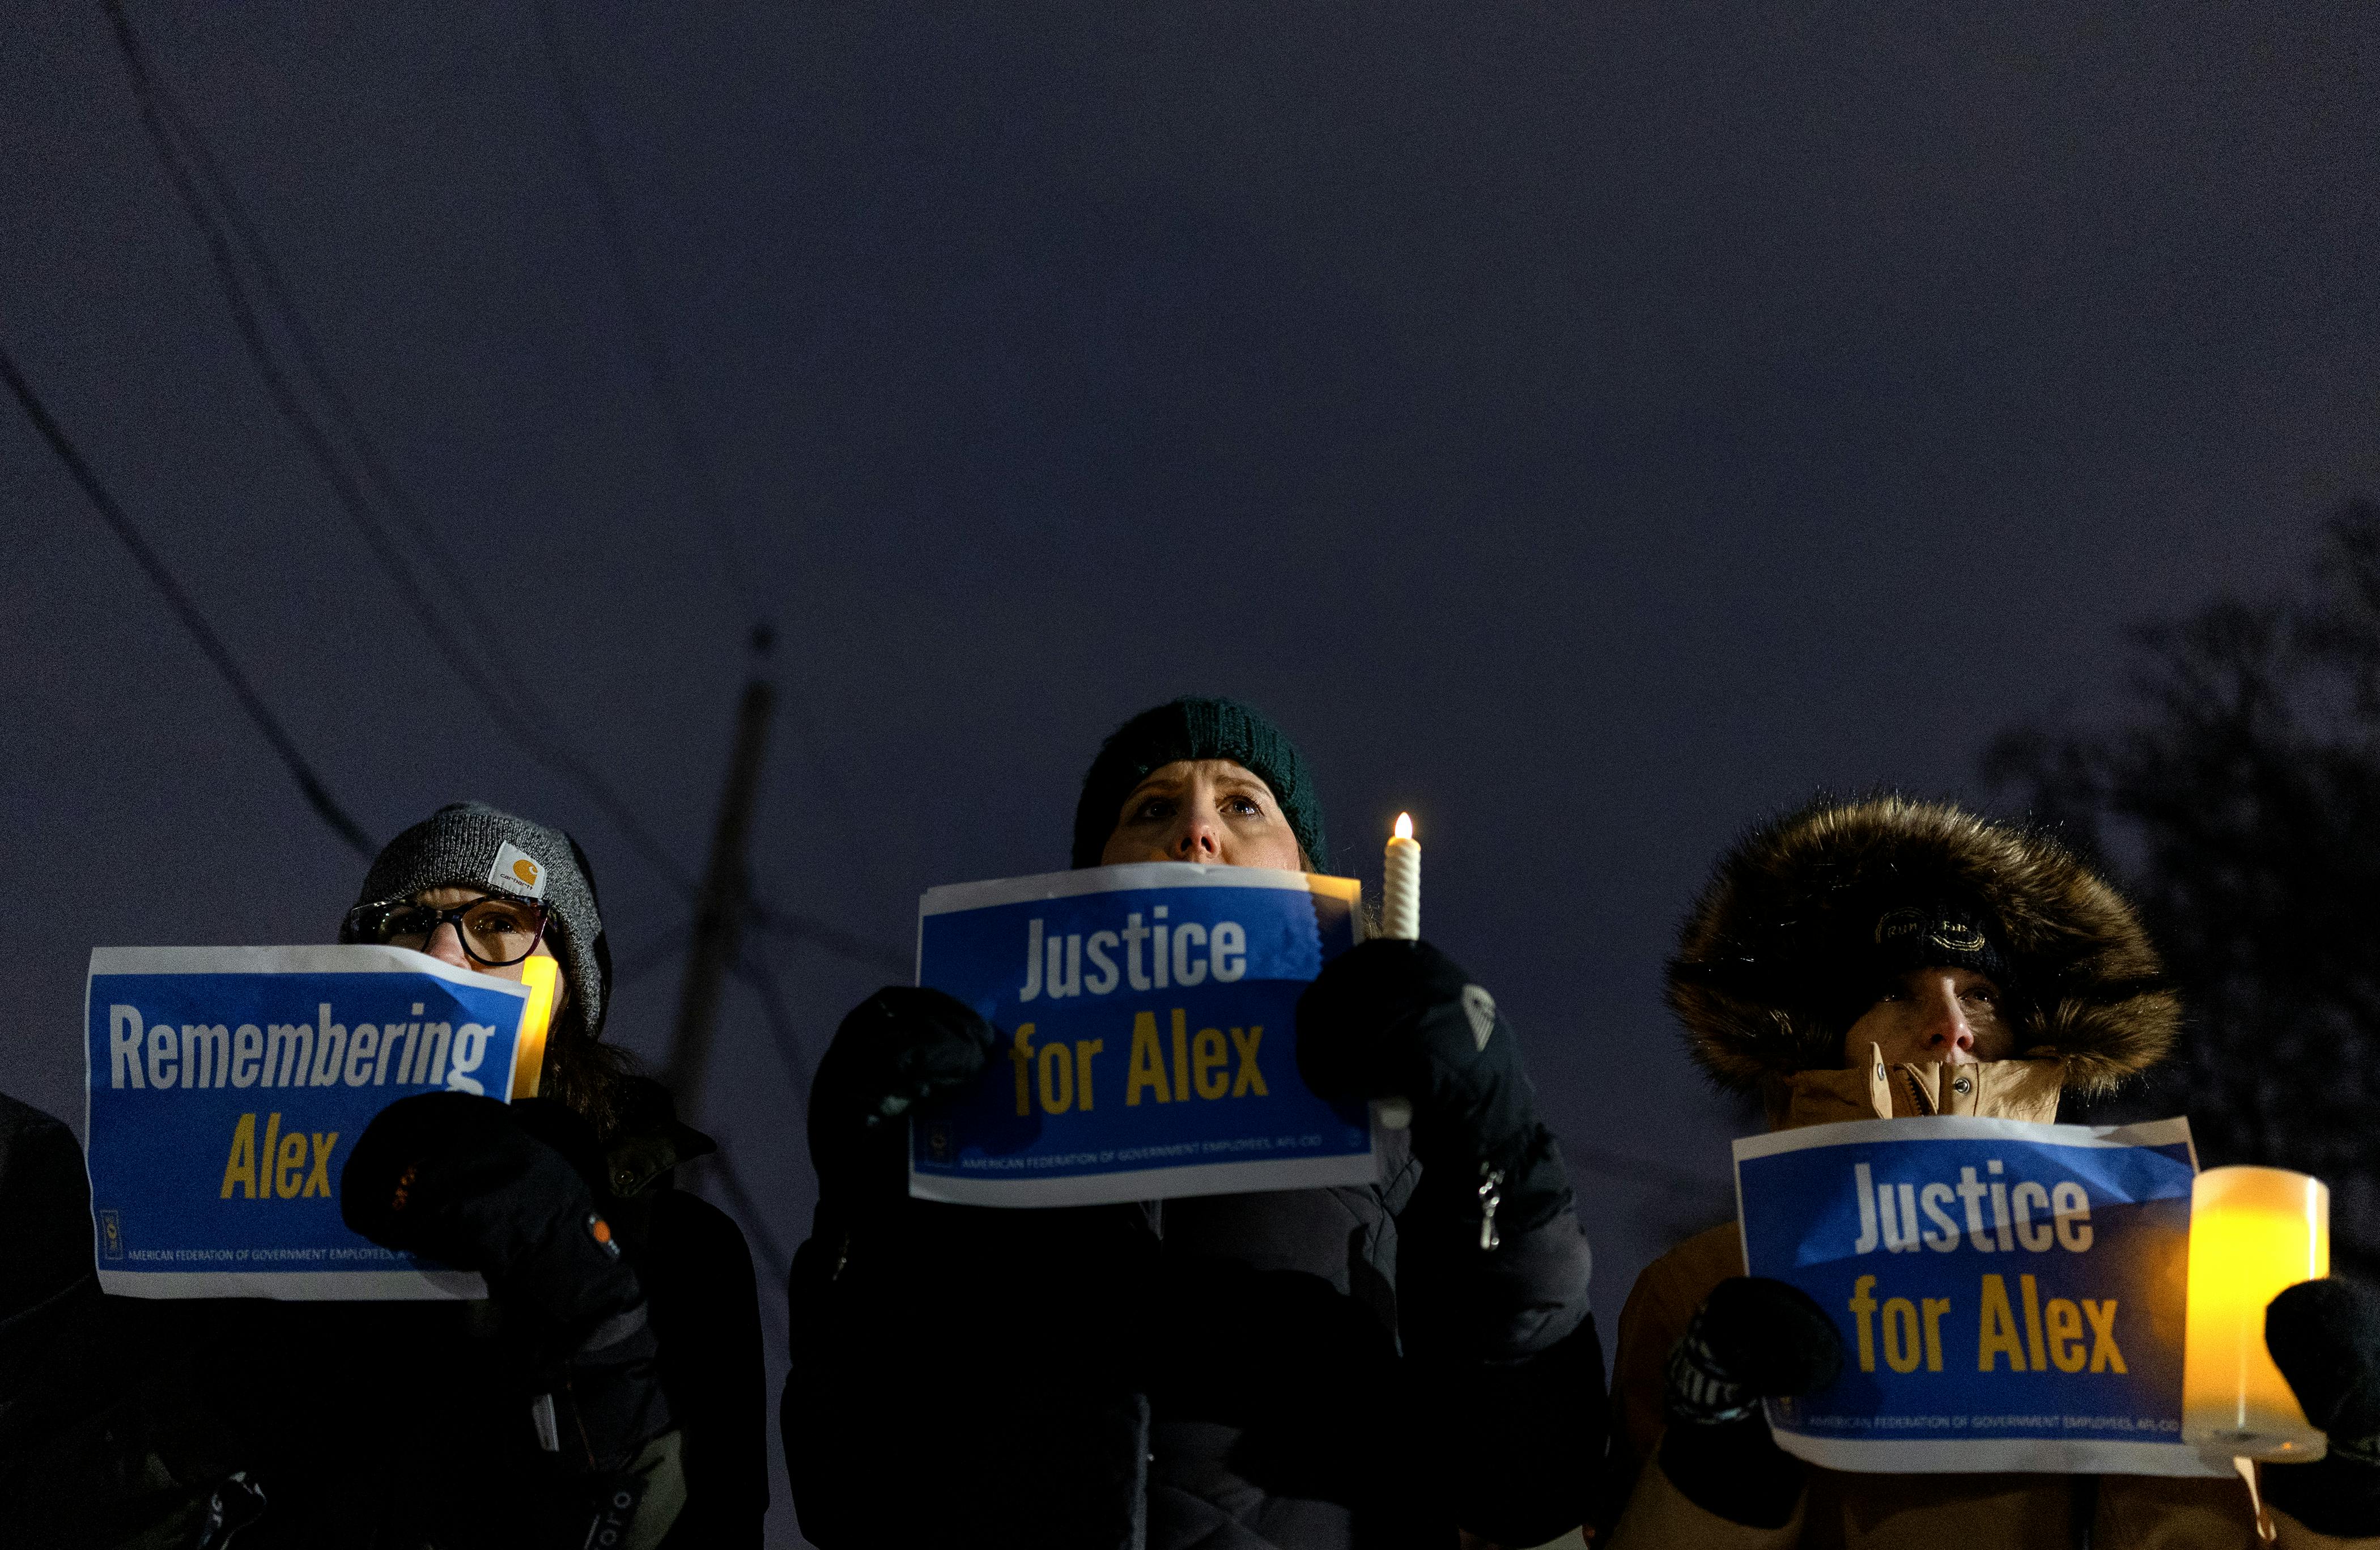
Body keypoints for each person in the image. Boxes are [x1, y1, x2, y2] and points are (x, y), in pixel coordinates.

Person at [781, 696, 1606, 1549]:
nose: (1198, 831)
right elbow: (849, 1496)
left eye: (1243, 804)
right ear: (1086, 880)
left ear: (1307, 875)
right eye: (1152, 809)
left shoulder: (1401, 1120)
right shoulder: (978, 1134)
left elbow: (1529, 1484)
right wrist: (862, 1220)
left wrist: (1501, 1150)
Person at [1599, 794, 2380, 1550]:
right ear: (1825, 1035)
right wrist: (1719, 1466)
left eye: (1982, 992)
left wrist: (2346, 1490)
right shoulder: (1711, 1286)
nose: (1952, 1026)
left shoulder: (2189, 1274)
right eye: (1896, 991)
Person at [0, 802, 766, 1548]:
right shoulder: (217, 1230)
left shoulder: (674, 1252)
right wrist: (240, 1387)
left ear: (572, 996)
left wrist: (589, 1304)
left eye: (500, 926)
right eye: (404, 925)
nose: (440, 956)